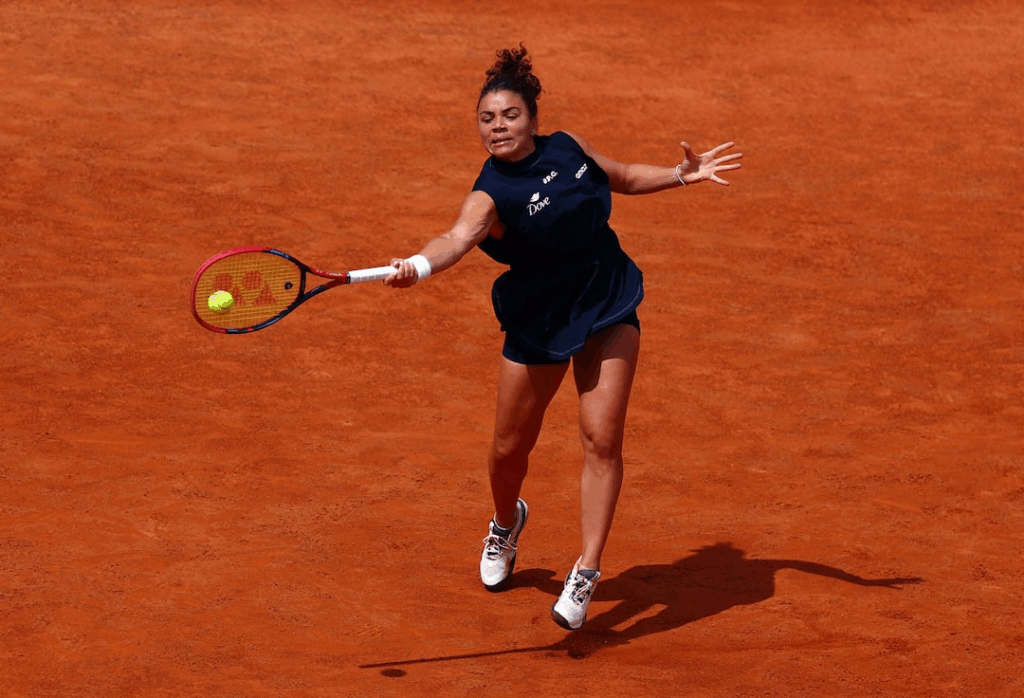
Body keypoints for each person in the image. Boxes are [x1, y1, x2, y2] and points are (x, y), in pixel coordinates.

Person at [384, 44, 741, 631]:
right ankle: (505, 523)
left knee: (602, 439)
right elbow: (454, 238)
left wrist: (683, 174)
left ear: (532, 118)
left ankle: (587, 568)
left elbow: (622, 177)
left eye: (509, 116)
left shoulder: (569, 148)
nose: (498, 127)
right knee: (508, 451)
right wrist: (419, 266)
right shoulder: (489, 193)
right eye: (487, 119)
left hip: (606, 299)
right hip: (541, 319)